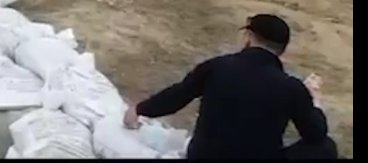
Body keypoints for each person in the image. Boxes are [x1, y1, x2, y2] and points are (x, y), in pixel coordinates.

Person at [124, 14, 337, 160]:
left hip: (202, 156)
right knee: (326, 148)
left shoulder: (217, 67)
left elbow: (178, 96)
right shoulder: (291, 87)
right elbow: (315, 135)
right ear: (282, 49)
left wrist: (140, 109)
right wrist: (314, 102)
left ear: (249, 37)